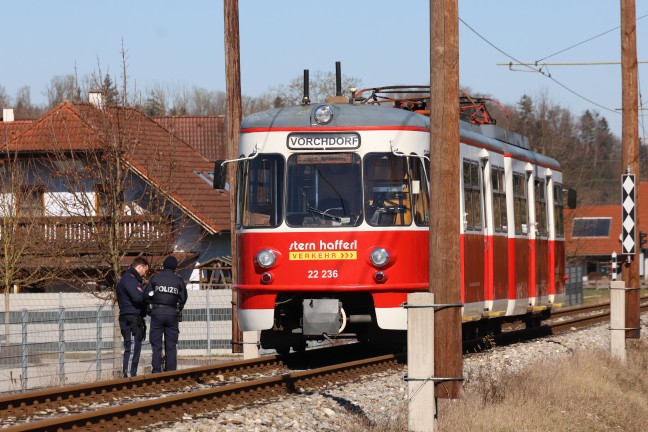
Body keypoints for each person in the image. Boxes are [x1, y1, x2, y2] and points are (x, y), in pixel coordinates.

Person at [144, 255, 188, 373]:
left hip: (157, 313)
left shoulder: (155, 277)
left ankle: (156, 371)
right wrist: (177, 304)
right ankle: (171, 372)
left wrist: (151, 303)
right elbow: (183, 298)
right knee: (171, 346)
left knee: (156, 345)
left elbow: (146, 295)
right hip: (172, 314)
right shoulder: (178, 279)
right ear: (175, 267)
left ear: (163, 265)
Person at [115, 257, 149, 378]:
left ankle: (130, 375)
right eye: (145, 270)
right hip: (131, 319)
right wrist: (148, 293)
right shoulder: (130, 279)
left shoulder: (130, 279)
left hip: (132, 318)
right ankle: (128, 378)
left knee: (134, 349)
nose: (145, 274)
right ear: (139, 267)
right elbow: (138, 297)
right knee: (132, 349)